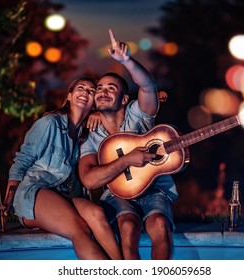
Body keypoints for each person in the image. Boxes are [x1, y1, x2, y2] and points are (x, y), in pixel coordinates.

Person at [78, 29, 178, 260]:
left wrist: (126, 61)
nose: (103, 92)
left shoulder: (138, 115)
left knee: (160, 224)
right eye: (99, 89)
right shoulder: (91, 135)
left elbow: (148, 87)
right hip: (117, 193)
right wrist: (126, 160)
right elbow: (89, 179)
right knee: (127, 228)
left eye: (110, 88)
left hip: (155, 188)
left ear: (124, 99)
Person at [3, 77, 123, 260]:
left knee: (96, 213)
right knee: (80, 229)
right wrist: (8, 200)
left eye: (91, 91)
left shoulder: (86, 133)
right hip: (35, 192)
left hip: (64, 196)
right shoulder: (50, 123)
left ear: (93, 103)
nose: (85, 92)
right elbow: (22, 160)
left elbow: (114, 122)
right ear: (69, 96)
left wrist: (100, 115)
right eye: (80, 88)